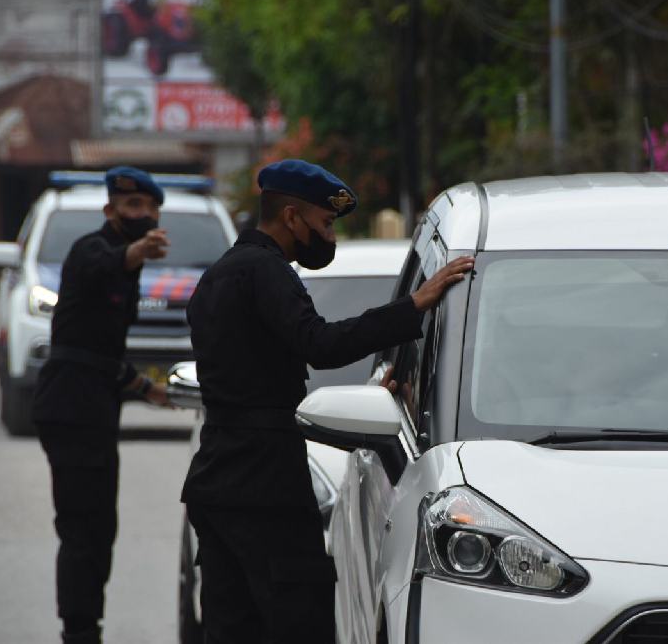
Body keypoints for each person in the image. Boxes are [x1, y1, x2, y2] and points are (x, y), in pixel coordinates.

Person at [182, 158, 474, 643]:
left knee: (231, 629)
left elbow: (258, 376)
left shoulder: (218, 276)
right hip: (266, 485)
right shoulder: (266, 271)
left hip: (217, 480)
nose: (331, 237)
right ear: (292, 217)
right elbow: (320, 343)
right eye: (325, 223)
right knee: (300, 622)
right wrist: (414, 306)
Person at [33, 166, 171, 644]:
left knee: (99, 528)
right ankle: (79, 630)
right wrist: (136, 251)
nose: (144, 214)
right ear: (110, 210)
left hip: (92, 404)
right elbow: (103, 265)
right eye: (133, 207)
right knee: (82, 529)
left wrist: (146, 387)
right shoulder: (91, 250)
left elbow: (101, 349)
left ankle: (86, 624)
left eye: (151, 209)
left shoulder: (126, 266)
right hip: (70, 406)